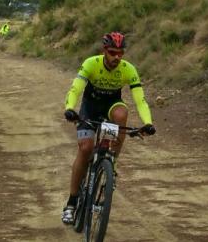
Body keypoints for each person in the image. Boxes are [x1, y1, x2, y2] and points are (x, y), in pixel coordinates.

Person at [60, 31, 156, 226]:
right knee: (85, 148)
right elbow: (76, 88)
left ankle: (112, 161)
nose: (117, 57)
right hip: (90, 107)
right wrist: (69, 108)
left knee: (121, 114)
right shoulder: (91, 64)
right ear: (104, 50)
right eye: (113, 52)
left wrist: (148, 122)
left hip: (111, 106)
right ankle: (71, 202)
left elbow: (140, 99)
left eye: (121, 53)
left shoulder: (128, 69)